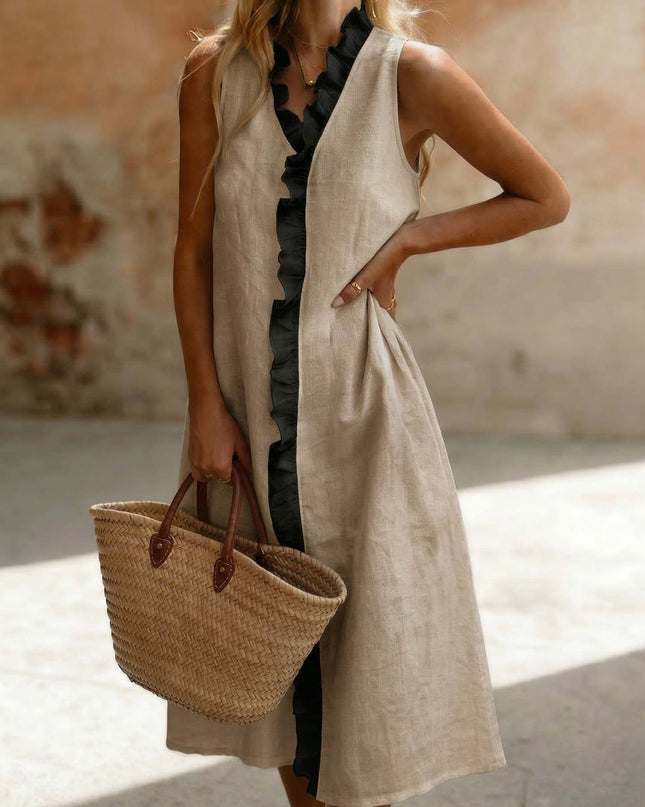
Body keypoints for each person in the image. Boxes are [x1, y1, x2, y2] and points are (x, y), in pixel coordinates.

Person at [167, 1, 570, 806]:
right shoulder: (214, 73)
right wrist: (206, 403)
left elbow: (541, 195)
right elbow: (193, 246)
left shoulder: (411, 73)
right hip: (248, 412)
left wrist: (411, 238)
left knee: (366, 672)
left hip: (365, 414)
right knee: (275, 661)